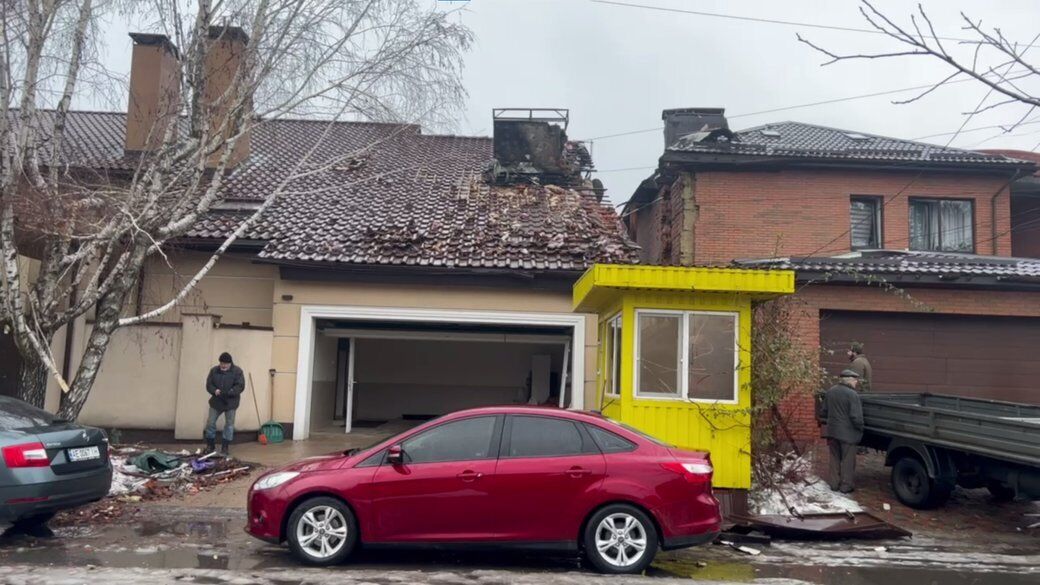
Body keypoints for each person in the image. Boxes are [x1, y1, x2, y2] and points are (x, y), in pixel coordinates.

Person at [820, 369, 864, 493]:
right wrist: (860, 428)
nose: (856, 383)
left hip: (832, 432)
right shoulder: (852, 395)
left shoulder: (830, 391)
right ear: (849, 380)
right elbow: (856, 417)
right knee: (848, 460)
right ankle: (846, 486)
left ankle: (834, 484)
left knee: (834, 458)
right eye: (855, 380)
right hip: (848, 434)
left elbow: (823, 411)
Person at [205, 352, 245, 455]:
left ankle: (225, 447)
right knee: (210, 423)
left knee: (229, 425)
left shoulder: (237, 371)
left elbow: (240, 386)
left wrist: (230, 392)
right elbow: (209, 384)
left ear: (230, 363)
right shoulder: (214, 370)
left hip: (231, 402)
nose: (223, 365)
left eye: (225, 364)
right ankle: (210, 446)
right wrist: (214, 391)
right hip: (216, 401)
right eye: (221, 363)